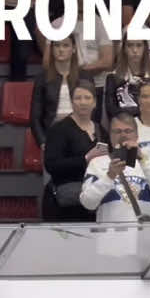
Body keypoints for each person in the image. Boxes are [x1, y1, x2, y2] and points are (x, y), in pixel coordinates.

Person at [79, 110, 150, 221]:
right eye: (117, 131)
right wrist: (109, 176)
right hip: (110, 232)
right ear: (111, 136)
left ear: (136, 135)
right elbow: (87, 203)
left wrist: (142, 159)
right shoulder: (97, 163)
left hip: (145, 233)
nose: (123, 135)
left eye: (128, 131)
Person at [42, 79, 102, 220]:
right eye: (78, 98)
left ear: (94, 103)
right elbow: (51, 165)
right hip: (65, 203)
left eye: (87, 98)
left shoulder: (101, 130)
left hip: (93, 201)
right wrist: (86, 159)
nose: (83, 102)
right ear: (72, 102)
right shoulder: (59, 129)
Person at [32, 34, 85, 144]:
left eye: (65, 46)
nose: (61, 50)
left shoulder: (84, 77)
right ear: (51, 49)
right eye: (57, 46)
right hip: (52, 133)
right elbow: (35, 117)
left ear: (74, 49)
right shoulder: (42, 79)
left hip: (79, 133)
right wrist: (42, 142)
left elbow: (92, 112)